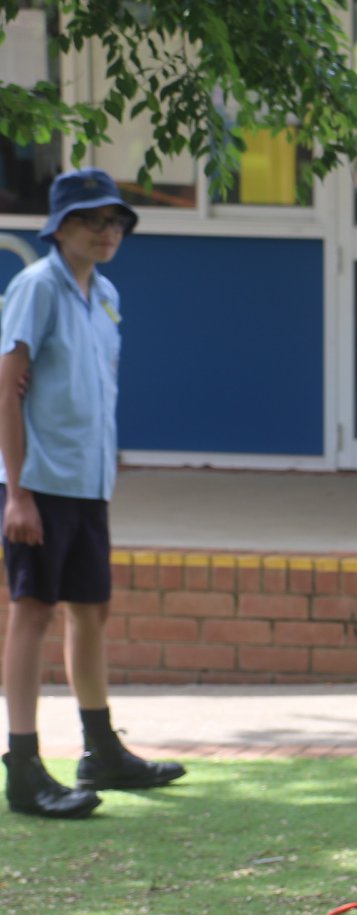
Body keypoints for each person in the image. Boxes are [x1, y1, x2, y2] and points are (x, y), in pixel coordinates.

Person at [1, 169, 185, 821]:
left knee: (90, 610)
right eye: (91, 220)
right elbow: (7, 387)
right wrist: (16, 492)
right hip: (40, 483)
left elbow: (92, 383)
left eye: (115, 222)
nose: (106, 232)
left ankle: (100, 747)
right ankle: (21, 765)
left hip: (87, 481)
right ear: (60, 227)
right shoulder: (36, 287)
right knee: (32, 610)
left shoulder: (104, 293)